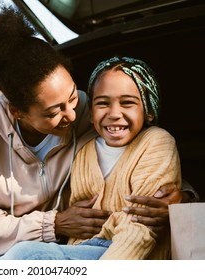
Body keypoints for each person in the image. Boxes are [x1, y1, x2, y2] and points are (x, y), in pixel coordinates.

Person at [0, 5, 197, 260]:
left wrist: (183, 199)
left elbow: (142, 155)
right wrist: (52, 223)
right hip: (11, 235)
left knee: (24, 260)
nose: (70, 114)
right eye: (53, 112)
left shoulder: (86, 113)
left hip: (71, 245)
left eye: (72, 97)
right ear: (17, 112)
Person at [66, 56, 181, 259]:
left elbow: (141, 228)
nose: (114, 113)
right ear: (91, 113)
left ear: (149, 111)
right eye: (102, 103)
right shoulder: (83, 153)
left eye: (127, 103)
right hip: (83, 251)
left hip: (129, 255)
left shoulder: (156, 141)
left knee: (26, 254)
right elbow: (78, 227)